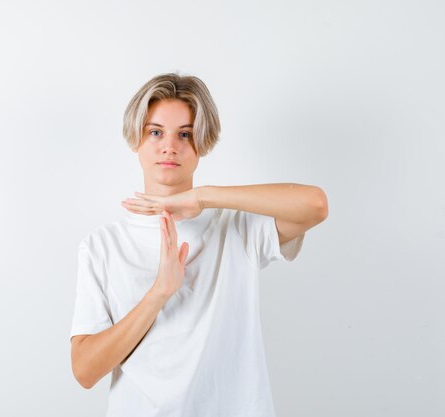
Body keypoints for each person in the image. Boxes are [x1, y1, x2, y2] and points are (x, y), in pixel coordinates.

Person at [69, 72, 328, 417]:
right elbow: (85, 371)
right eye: (156, 132)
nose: (169, 146)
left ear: (202, 143)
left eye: (185, 134)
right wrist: (158, 293)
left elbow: (315, 205)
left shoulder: (235, 226)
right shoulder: (102, 246)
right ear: (137, 139)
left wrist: (202, 198)